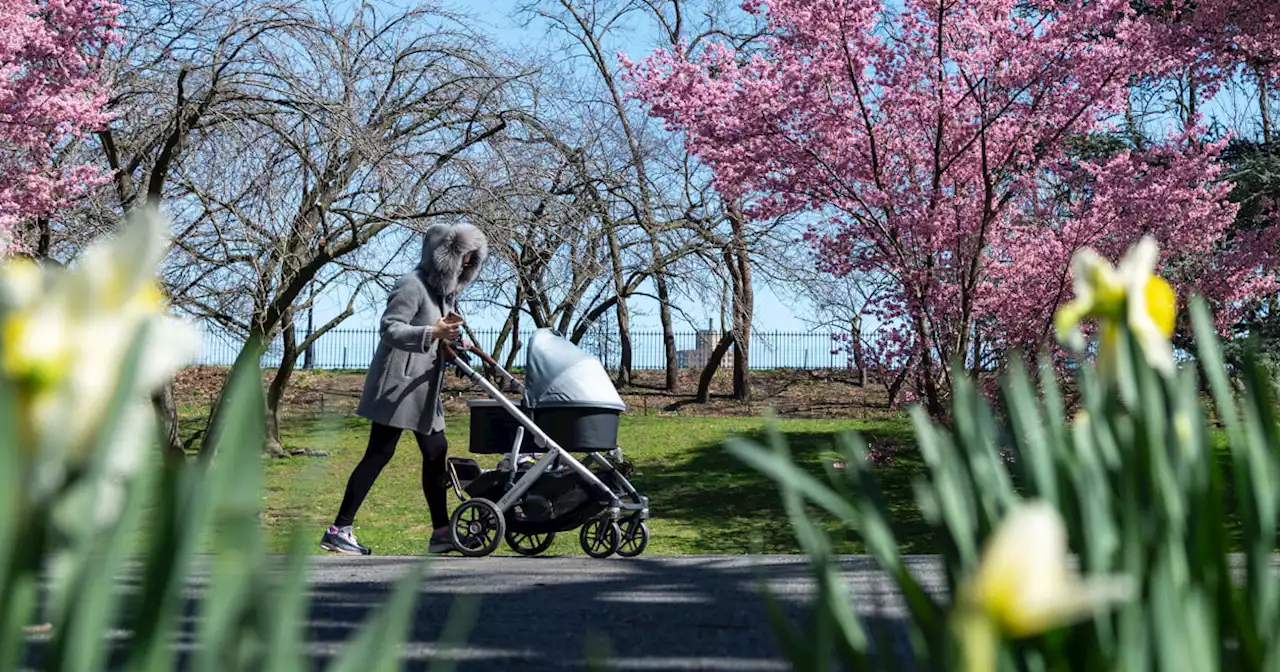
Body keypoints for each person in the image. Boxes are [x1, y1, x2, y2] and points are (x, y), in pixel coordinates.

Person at [320, 222, 487, 555]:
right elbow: (389, 328)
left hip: (423, 390)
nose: (467, 264)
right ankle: (339, 528)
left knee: (436, 452)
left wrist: (453, 343)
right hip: (397, 386)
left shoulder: (444, 294)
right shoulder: (411, 285)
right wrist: (431, 333)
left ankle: (441, 532)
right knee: (379, 454)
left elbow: (439, 333)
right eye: (463, 257)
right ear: (445, 258)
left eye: (472, 259)